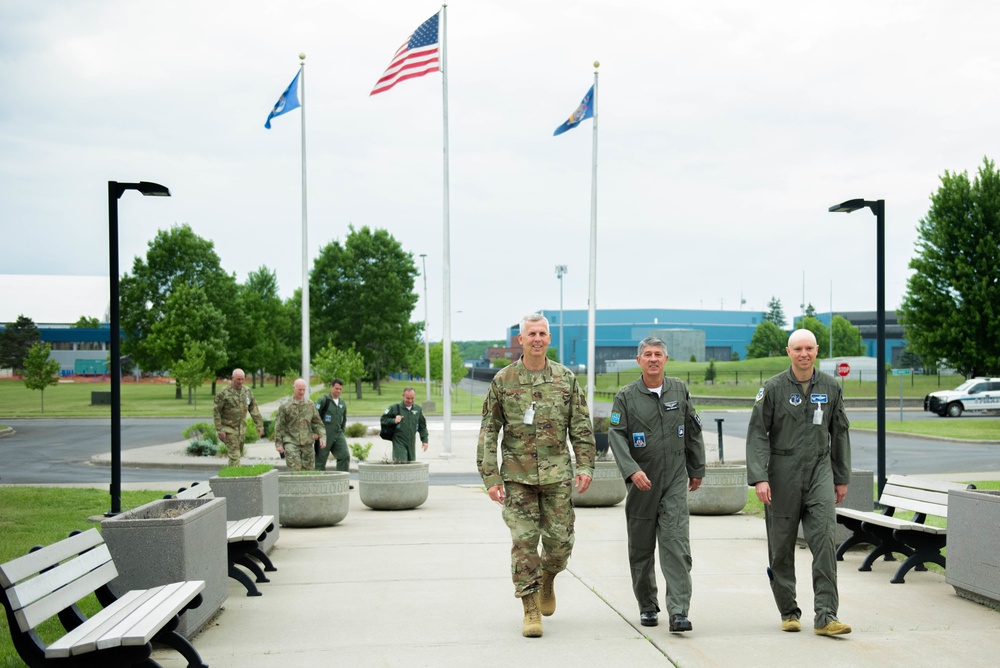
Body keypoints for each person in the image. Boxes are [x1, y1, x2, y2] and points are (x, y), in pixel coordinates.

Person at [477, 313, 596, 638]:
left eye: (542, 333)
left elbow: (581, 426)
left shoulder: (565, 378)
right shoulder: (503, 380)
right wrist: (491, 476)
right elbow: (489, 430)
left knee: (559, 545)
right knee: (524, 543)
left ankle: (548, 577)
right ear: (521, 339)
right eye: (531, 334)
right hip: (517, 478)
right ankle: (530, 609)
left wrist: (585, 465)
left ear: (548, 338)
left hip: (557, 477)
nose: (537, 339)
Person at [746, 328, 852, 636]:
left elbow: (840, 431)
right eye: (798, 349)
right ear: (789, 352)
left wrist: (841, 476)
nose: (803, 354)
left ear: (817, 350)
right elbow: (757, 433)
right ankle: (789, 611)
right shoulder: (774, 388)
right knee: (781, 547)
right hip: (782, 474)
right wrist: (760, 477)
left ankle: (826, 615)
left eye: (809, 348)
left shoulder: (830, 387)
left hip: (819, 470)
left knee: (824, 541)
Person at [607, 337, 705, 632]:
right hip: (642, 483)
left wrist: (696, 466)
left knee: (675, 543)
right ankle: (647, 605)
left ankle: (679, 611)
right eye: (647, 354)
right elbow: (616, 435)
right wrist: (631, 470)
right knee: (641, 547)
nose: (653, 359)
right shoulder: (626, 396)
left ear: (666, 359)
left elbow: (692, 429)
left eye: (658, 354)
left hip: (674, 478)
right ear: (639, 360)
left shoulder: (679, 389)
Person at [213, 368, 264, 467]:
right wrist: (220, 430)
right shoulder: (224, 392)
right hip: (228, 429)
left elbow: (254, 409)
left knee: (236, 456)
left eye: (242, 379)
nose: (240, 382)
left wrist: (259, 425)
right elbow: (217, 412)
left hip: (241, 430)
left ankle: (228, 477)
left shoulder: (247, 392)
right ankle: (235, 479)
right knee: (235, 456)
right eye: (238, 379)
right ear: (232, 378)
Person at [274, 378, 325, 472]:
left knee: (308, 472)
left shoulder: (310, 405)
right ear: (294, 388)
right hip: (291, 442)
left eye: (303, 390)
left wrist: (322, 436)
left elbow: (318, 423)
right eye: (299, 389)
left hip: (307, 443)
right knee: (295, 471)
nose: (302, 392)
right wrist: (278, 443)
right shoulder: (286, 406)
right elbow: (278, 426)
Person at [380, 387, 428, 462]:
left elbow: (422, 427)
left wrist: (425, 440)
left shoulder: (418, 409)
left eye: (412, 398)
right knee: (401, 463)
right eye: (408, 398)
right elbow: (383, 419)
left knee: (411, 464)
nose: (410, 401)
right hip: (399, 441)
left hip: (411, 442)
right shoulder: (394, 408)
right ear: (403, 395)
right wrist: (394, 420)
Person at [316, 379, 350, 473]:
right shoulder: (324, 400)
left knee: (344, 455)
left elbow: (344, 419)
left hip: (338, 434)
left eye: (340, 389)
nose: (338, 391)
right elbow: (314, 417)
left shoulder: (342, 403)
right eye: (336, 388)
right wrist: (315, 433)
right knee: (320, 460)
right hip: (324, 436)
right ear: (331, 387)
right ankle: (319, 482)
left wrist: (342, 431)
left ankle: (342, 481)